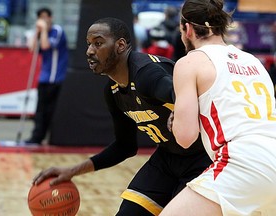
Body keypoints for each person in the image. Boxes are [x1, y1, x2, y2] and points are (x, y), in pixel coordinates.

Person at [32, 17, 211, 215]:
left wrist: (179, 107)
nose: (90, 51)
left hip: (204, 158)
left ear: (120, 45)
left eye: (98, 43)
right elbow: (125, 146)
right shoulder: (113, 91)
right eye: (88, 44)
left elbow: (181, 92)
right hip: (167, 158)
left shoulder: (146, 74)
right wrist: (73, 171)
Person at [160, 0, 276, 215]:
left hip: (243, 161)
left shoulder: (190, 62)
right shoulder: (254, 62)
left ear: (187, 29)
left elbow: (186, 138)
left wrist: (175, 117)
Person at [25, 7, 69, 145]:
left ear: (51, 18)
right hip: (44, 77)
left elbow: (45, 46)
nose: (43, 20)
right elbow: (32, 48)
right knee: (40, 110)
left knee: (51, 111)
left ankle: (52, 138)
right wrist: (37, 31)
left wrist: (43, 30)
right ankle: (37, 137)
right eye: (40, 18)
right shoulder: (40, 32)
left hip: (56, 78)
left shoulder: (57, 31)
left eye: (45, 17)